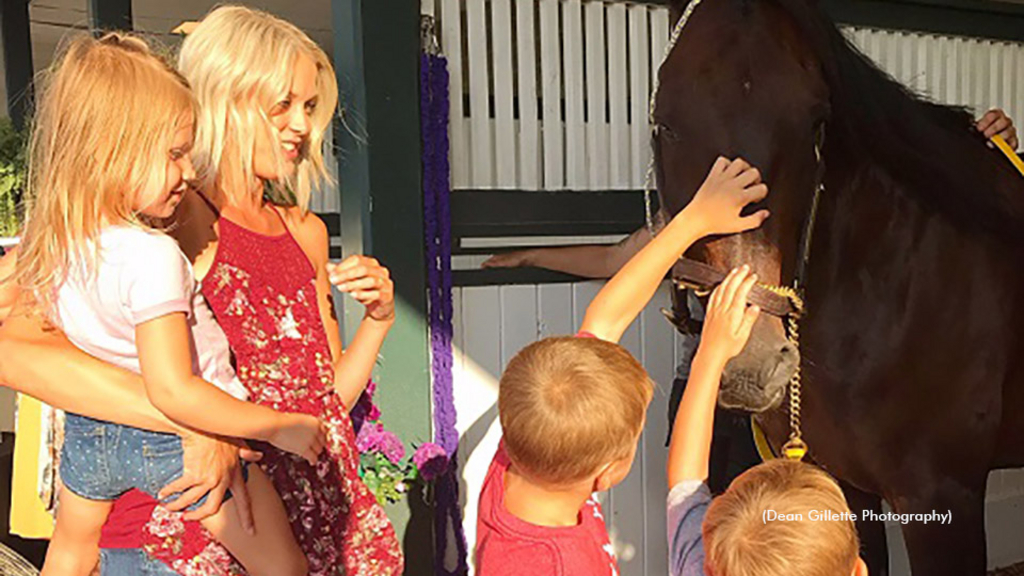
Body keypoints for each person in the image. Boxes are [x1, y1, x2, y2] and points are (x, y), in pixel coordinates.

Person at [1, 6, 404, 575]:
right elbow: (13, 348)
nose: (302, 126)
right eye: (282, 103)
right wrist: (190, 417)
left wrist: (381, 320)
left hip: (315, 512)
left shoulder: (305, 232)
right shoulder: (163, 216)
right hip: (198, 525)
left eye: (311, 106)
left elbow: (321, 399)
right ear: (226, 95)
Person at [482, 107, 1019, 492]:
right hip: (721, 401)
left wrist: (976, 154)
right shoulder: (687, 225)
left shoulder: (800, 220)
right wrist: (531, 255)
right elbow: (612, 262)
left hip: (775, 402)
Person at [476, 156, 769, 575]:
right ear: (609, 473)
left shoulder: (522, 457)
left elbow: (604, 320)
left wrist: (692, 222)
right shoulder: (555, 566)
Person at [666, 266, 867, 576]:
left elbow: (685, 477)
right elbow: (685, 482)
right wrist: (711, 356)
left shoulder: (701, 564)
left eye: (726, 493)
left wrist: (710, 354)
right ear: (858, 571)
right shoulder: (700, 562)